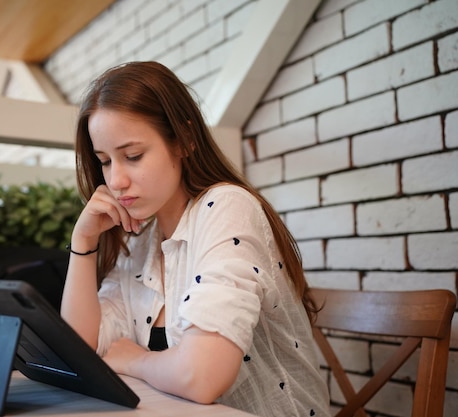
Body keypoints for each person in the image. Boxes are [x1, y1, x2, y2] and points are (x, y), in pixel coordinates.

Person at [61, 61, 330, 416]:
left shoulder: (227, 208)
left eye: (133, 156)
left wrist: (136, 360)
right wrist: (83, 243)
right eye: (105, 161)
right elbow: (80, 351)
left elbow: (200, 377)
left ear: (184, 140)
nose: (116, 180)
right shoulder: (143, 237)